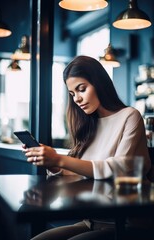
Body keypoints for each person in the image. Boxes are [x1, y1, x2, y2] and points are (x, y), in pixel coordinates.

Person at [23, 55, 151, 240]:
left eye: (81, 89)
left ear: (99, 83)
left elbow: (121, 169)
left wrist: (60, 158)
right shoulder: (89, 125)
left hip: (126, 223)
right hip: (91, 220)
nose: (77, 99)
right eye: (72, 94)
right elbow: (83, 172)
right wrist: (53, 165)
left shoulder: (129, 116)